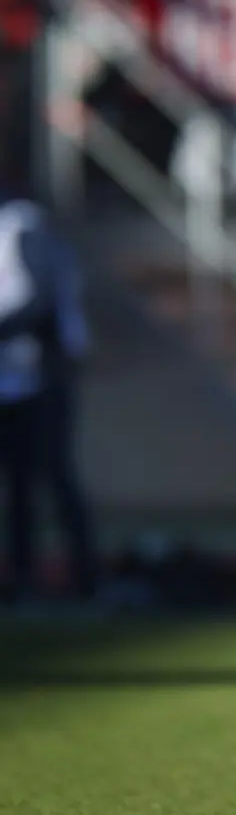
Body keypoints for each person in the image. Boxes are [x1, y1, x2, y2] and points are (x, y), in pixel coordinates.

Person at [0, 192, 97, 604]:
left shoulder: (21, 224)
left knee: (55, 475)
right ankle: (22, 576)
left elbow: (40, 299)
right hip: (10, 375)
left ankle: (86, 579)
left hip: (43, 374)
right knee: (18, 484)